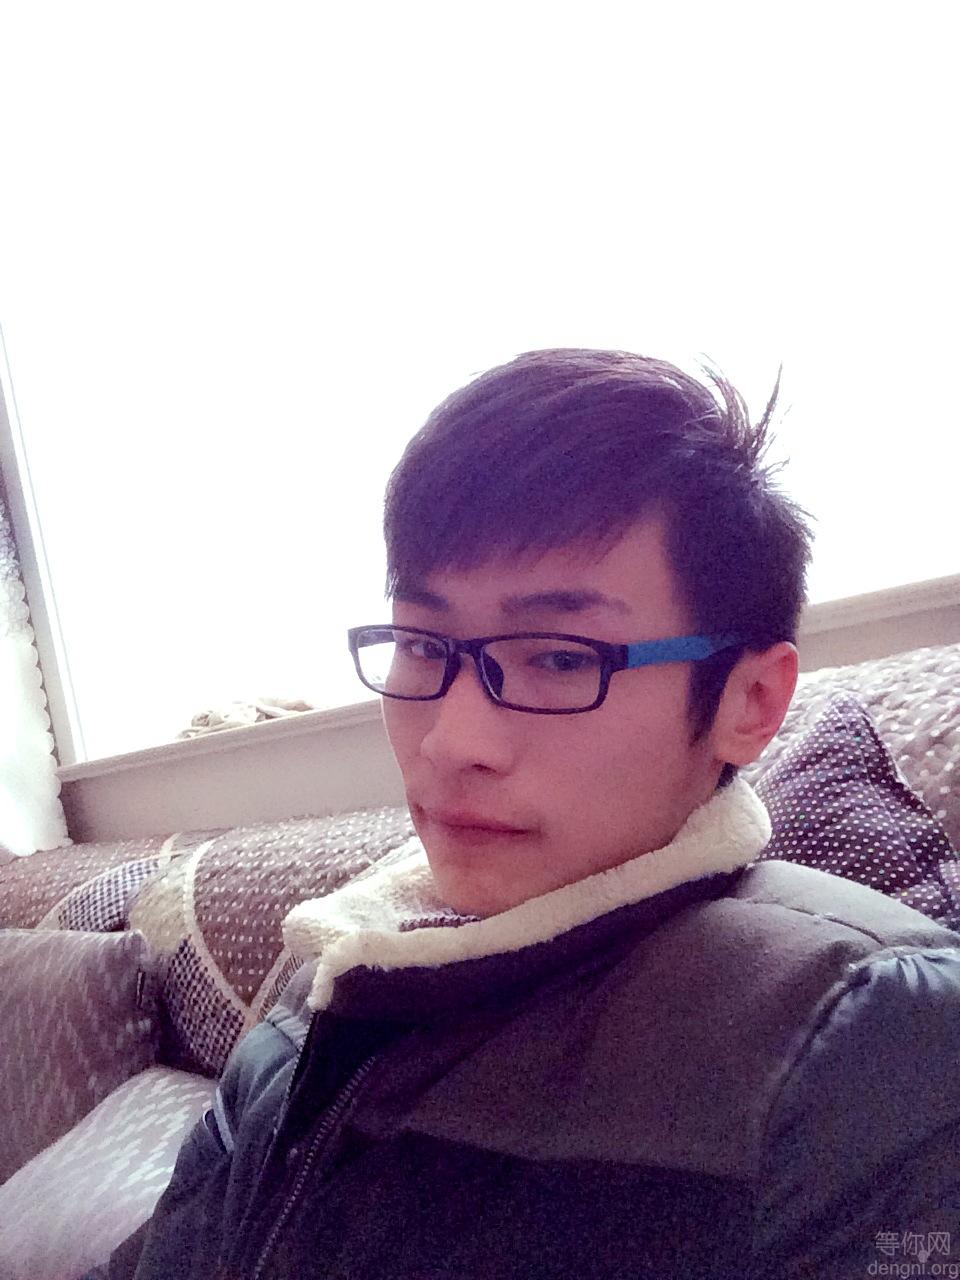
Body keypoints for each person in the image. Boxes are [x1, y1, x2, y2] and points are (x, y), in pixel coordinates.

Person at [91, 349, 960, 1279]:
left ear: (749, 701)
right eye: (423, 644)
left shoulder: (866, 1034)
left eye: (559, 657)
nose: (450, 741)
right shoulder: (329, 975)